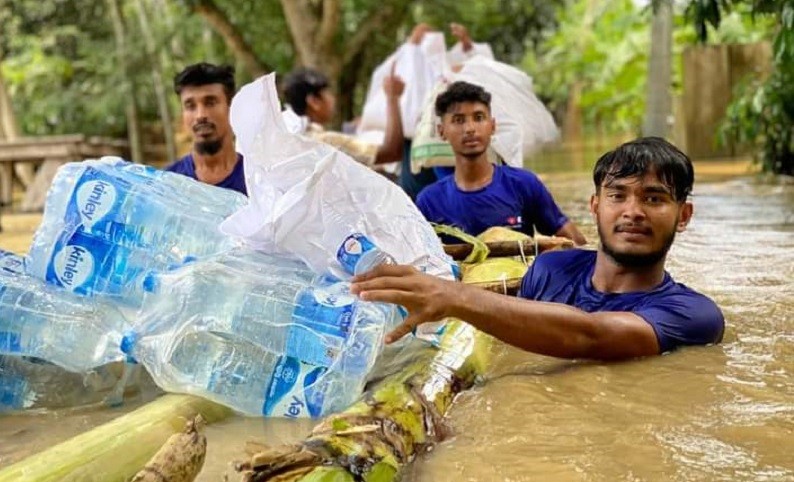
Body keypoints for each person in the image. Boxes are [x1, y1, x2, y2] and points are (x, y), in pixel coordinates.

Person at [351, 137, 725, 360]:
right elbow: (510, 331)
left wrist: (454, 296)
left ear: (683, 215)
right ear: (595, 206)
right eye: (617, 195)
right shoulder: (551, 270)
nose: (633, 211)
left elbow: (590, 336)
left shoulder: (695, 315)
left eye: (654, 198)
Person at [416, 81, 586, 245]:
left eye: (478, 117)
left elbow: (575, 243)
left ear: (492, 126)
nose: (470, 128)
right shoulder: (430, 202)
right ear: (441, 131)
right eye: (459, 120)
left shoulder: (523, 185)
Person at [282, 66, 404, 167]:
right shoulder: (326, 142)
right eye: (328, 94)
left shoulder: (289, 140)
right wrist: (392, 97)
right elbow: (392, 152)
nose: (333, 99)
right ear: (314, 102)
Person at [166, 62, 246, 195]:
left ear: (232, 107)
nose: (201, 115)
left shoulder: (257, 181)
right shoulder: (169, 185)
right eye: (190, 106)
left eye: (210, 102)